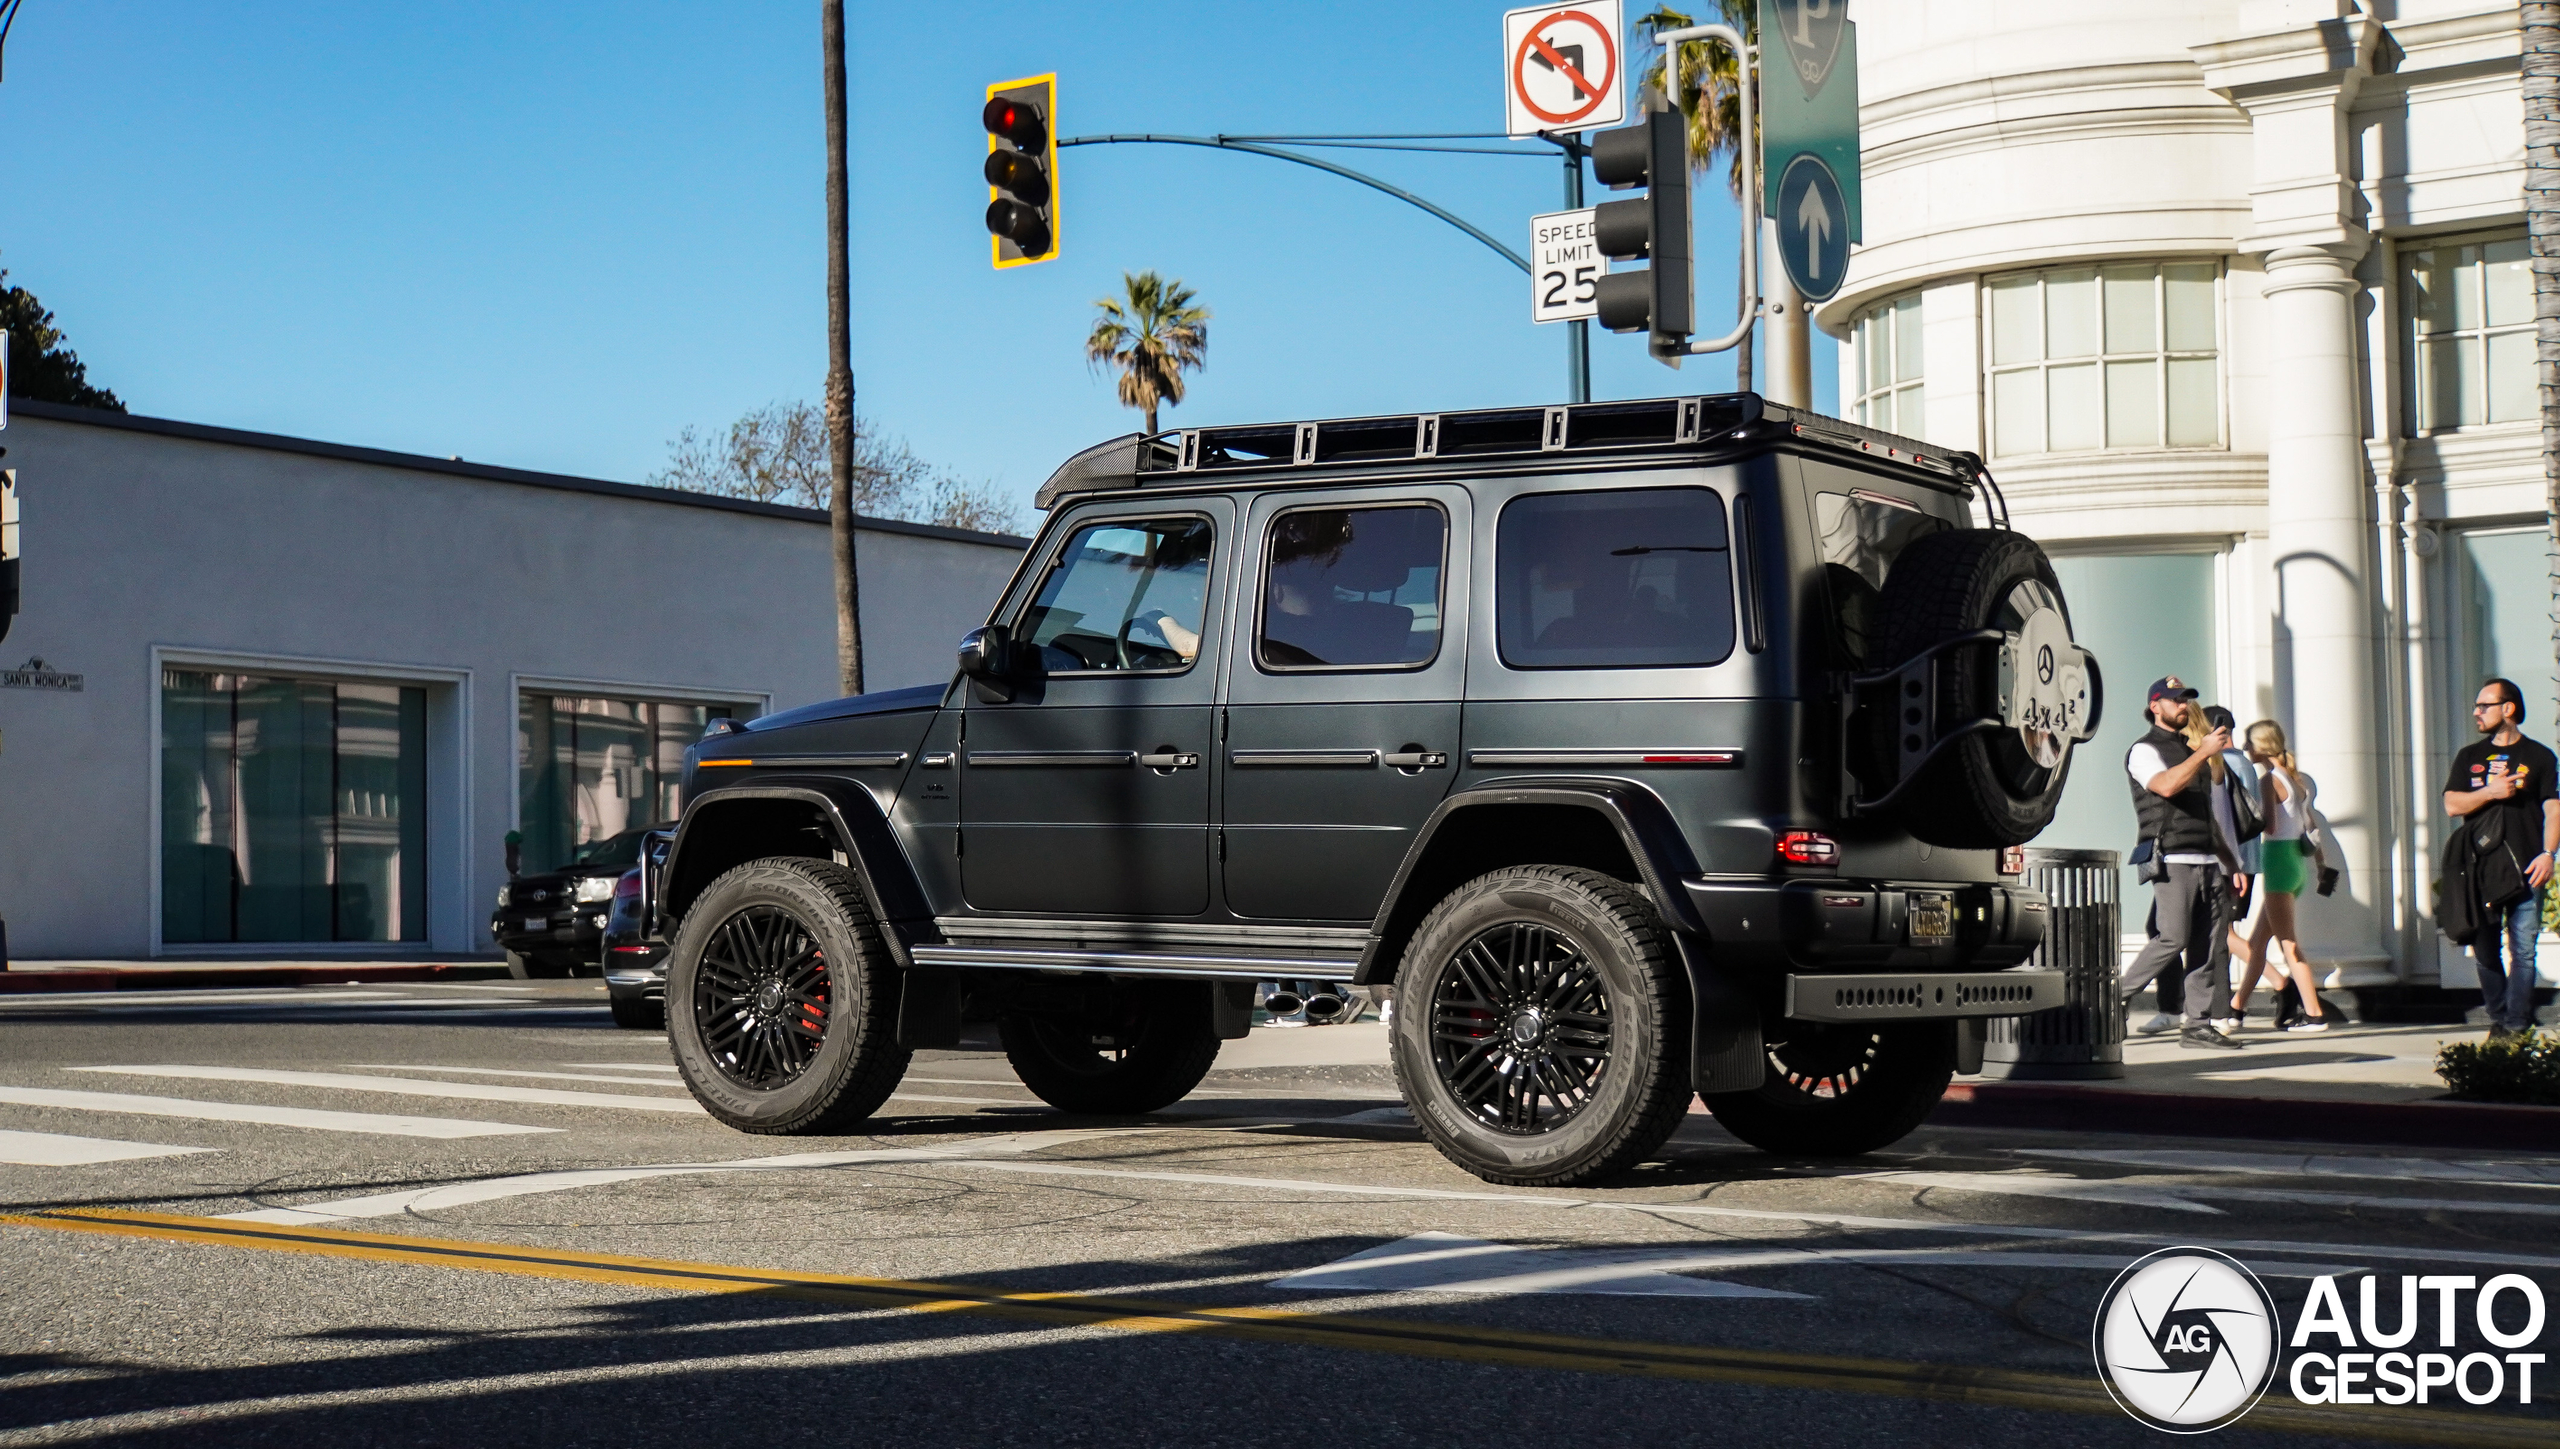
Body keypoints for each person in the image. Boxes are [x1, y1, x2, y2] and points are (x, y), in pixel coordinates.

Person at [2119, 676, 2248, 1049]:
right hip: (2172, 857)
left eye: (2187, 700)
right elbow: (2165, 786)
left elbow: (2207, 815)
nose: (2184, 706)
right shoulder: (2144, 750)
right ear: (2155, 706)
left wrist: (2231, 862)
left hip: (2209, 859)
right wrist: (2202, 754)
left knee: (2207, 947)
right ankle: (2114, 997)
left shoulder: (2194, 751)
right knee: (2172, 938)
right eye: (2176, 700)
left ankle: (2197, 1025)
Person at [2444, 677, 2560, 1040]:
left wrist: (2548, 854)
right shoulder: (2470, 757)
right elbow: (2452, 805)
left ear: (2507, 708)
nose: (2477, 712)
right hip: (2480, 869)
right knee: (2484, 948)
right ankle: (2499, 1015)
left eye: (2484, 705)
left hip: (2527, 866)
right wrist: (2490, 792)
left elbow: (2553, 810)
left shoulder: (2539, 756)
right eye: (2477, 706)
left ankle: (2515, 1023)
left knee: (2523, 949)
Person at [2228, 719, 2330, 1031]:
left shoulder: (2268, 780)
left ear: (2262, 746)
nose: (2246, 748)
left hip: (2276, 861)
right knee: (2258, 943)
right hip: (2295, 863)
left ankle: (2314, 1014)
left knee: (2288, 945)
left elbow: (2268, 826)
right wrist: (2322, 864)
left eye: (2250, 742)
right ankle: (2236, 1010)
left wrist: (2244, 815)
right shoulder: (2295, 780)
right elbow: (2309, 825)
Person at [2197, 704, 2260, 1030]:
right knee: (2225, 931)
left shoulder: (2224, 763)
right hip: (2246, 859)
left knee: (2220, 933)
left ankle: (2278, 983)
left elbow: (2222, 817)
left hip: (2228, 860)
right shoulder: (2246, 764)